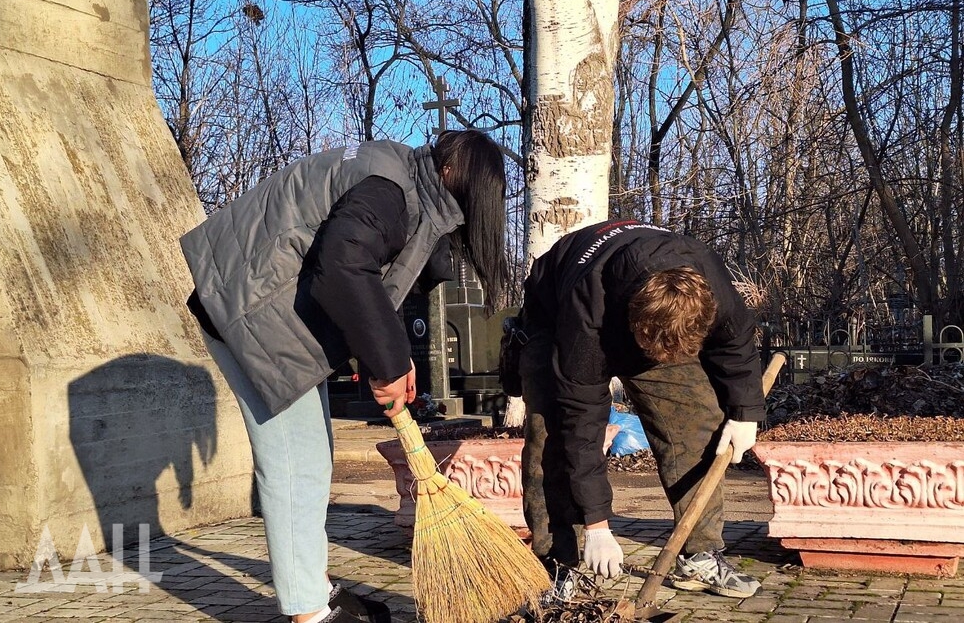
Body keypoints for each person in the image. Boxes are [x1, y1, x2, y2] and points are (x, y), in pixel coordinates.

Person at [180, 130, 508, 623]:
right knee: (296, 465)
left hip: (266, 306)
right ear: (455, 178)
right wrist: (388, 364)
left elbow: (374, 279)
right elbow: (343, 265)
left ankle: (311, 586)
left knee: (312, 457)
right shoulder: (390, 189)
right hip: (250, 309)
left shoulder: (402, 179)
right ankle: (307, 610)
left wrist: (397, 357)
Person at [517, 219, 765, 600]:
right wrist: (598, 526)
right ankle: (557, 564)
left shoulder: (708, 280)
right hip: (556, 318)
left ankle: (699, 553)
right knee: (550, 438)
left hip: (654, 318)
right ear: (637, 326)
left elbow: (735, 343)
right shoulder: (588, 308)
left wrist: (745, 411)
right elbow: (581, 424)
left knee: (697, 422)